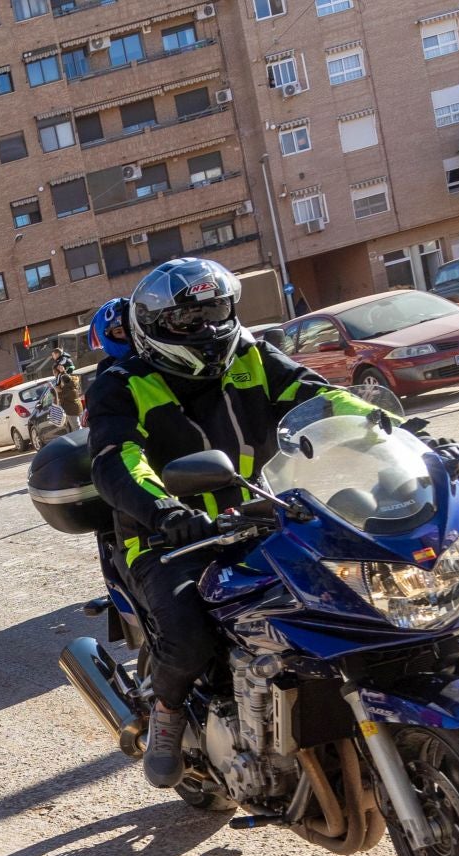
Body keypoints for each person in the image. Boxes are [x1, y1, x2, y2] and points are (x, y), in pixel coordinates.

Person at [88, 258, 374, 789]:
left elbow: (325, 399)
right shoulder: (120, 383)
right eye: (187, 321)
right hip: (165, 539)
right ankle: (169, 711)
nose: (207, 329)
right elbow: (117, 460)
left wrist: (407, 436)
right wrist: (165, 511)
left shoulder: (253, 356)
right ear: (153, 328)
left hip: (268, 511)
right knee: (190, 637)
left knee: (348, 596)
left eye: (215, 311)